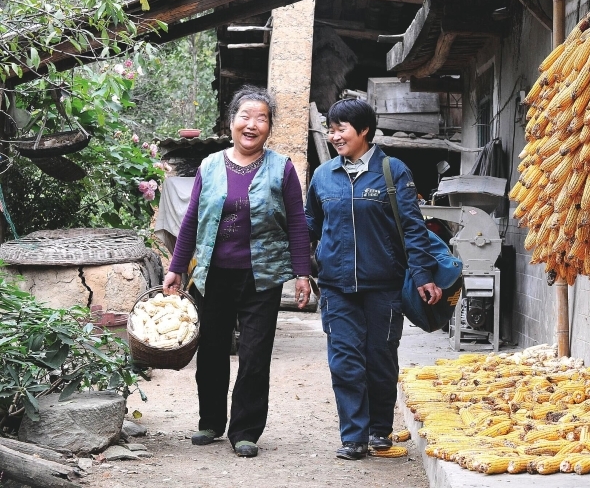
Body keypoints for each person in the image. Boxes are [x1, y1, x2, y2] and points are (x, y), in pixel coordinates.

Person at [163, 85, 311, 458]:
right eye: (245, 116)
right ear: (232, 122)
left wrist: (302, 273)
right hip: (213, 274)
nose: (252, 124)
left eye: (261, 118)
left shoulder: (282, 168)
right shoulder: (210, 165)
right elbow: (192, 220)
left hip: (261, 276)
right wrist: (176, 267)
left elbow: (296, 222)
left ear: (269, 127)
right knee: (212, 350)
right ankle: (211, 422)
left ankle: (245, 430)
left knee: (255, 354)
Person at [305, 99, 442, 460]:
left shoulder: (392, 171)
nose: (334, 136)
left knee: (379, 359)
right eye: (331, 129)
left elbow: (413, 227)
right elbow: (310, 225)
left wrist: (423, 274)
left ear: (363, 130)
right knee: (345, 361)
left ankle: (379, 429)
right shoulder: (323, 176)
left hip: (384, 284)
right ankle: (353, 437)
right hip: (336, 287)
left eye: (341, 128)